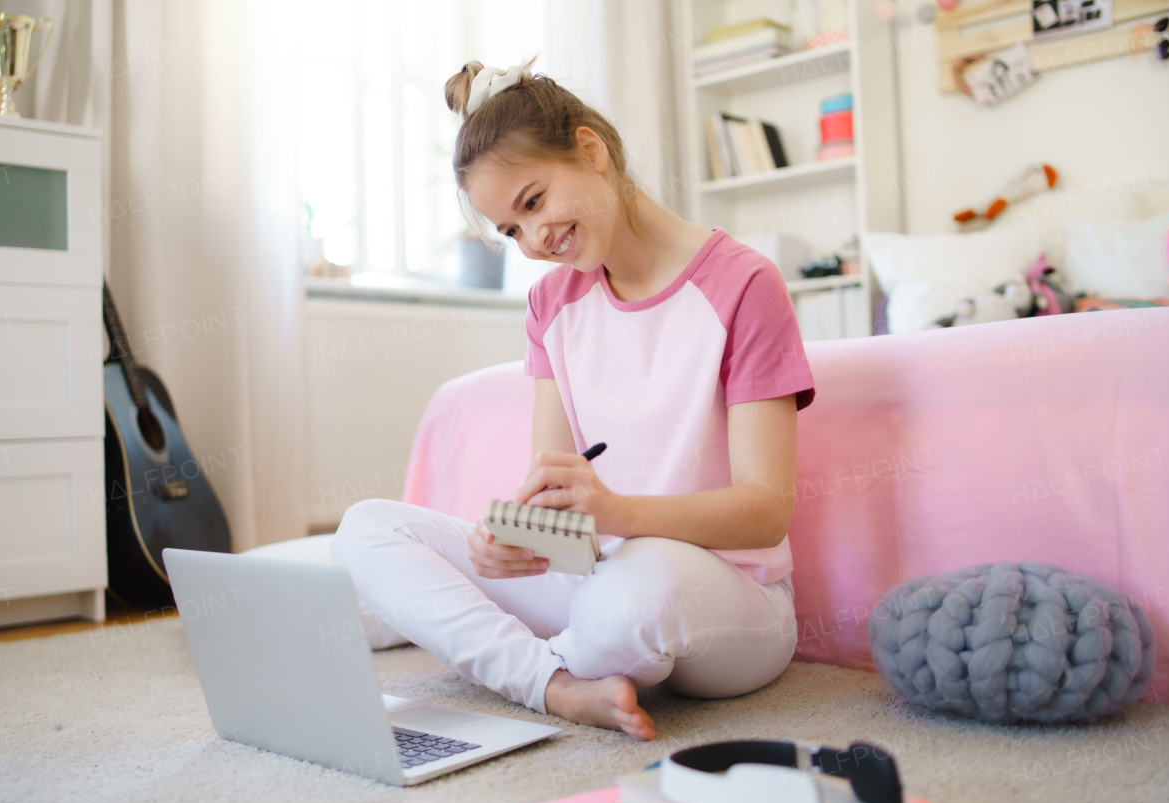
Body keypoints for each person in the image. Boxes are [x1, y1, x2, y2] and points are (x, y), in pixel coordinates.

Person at [331, 58, 815, 741]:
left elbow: (767, 511)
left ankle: (525, 662)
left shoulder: (744, 285)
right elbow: (557, 503)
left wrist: (617, 512)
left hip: (729, 598)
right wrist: (514, 542)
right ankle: (557, 686)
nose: (533, 241)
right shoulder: (550, 304)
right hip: (599, 573)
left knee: (632, 597)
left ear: (591, 152)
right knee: (364, 529)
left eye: (532, 203)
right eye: (510, 230)